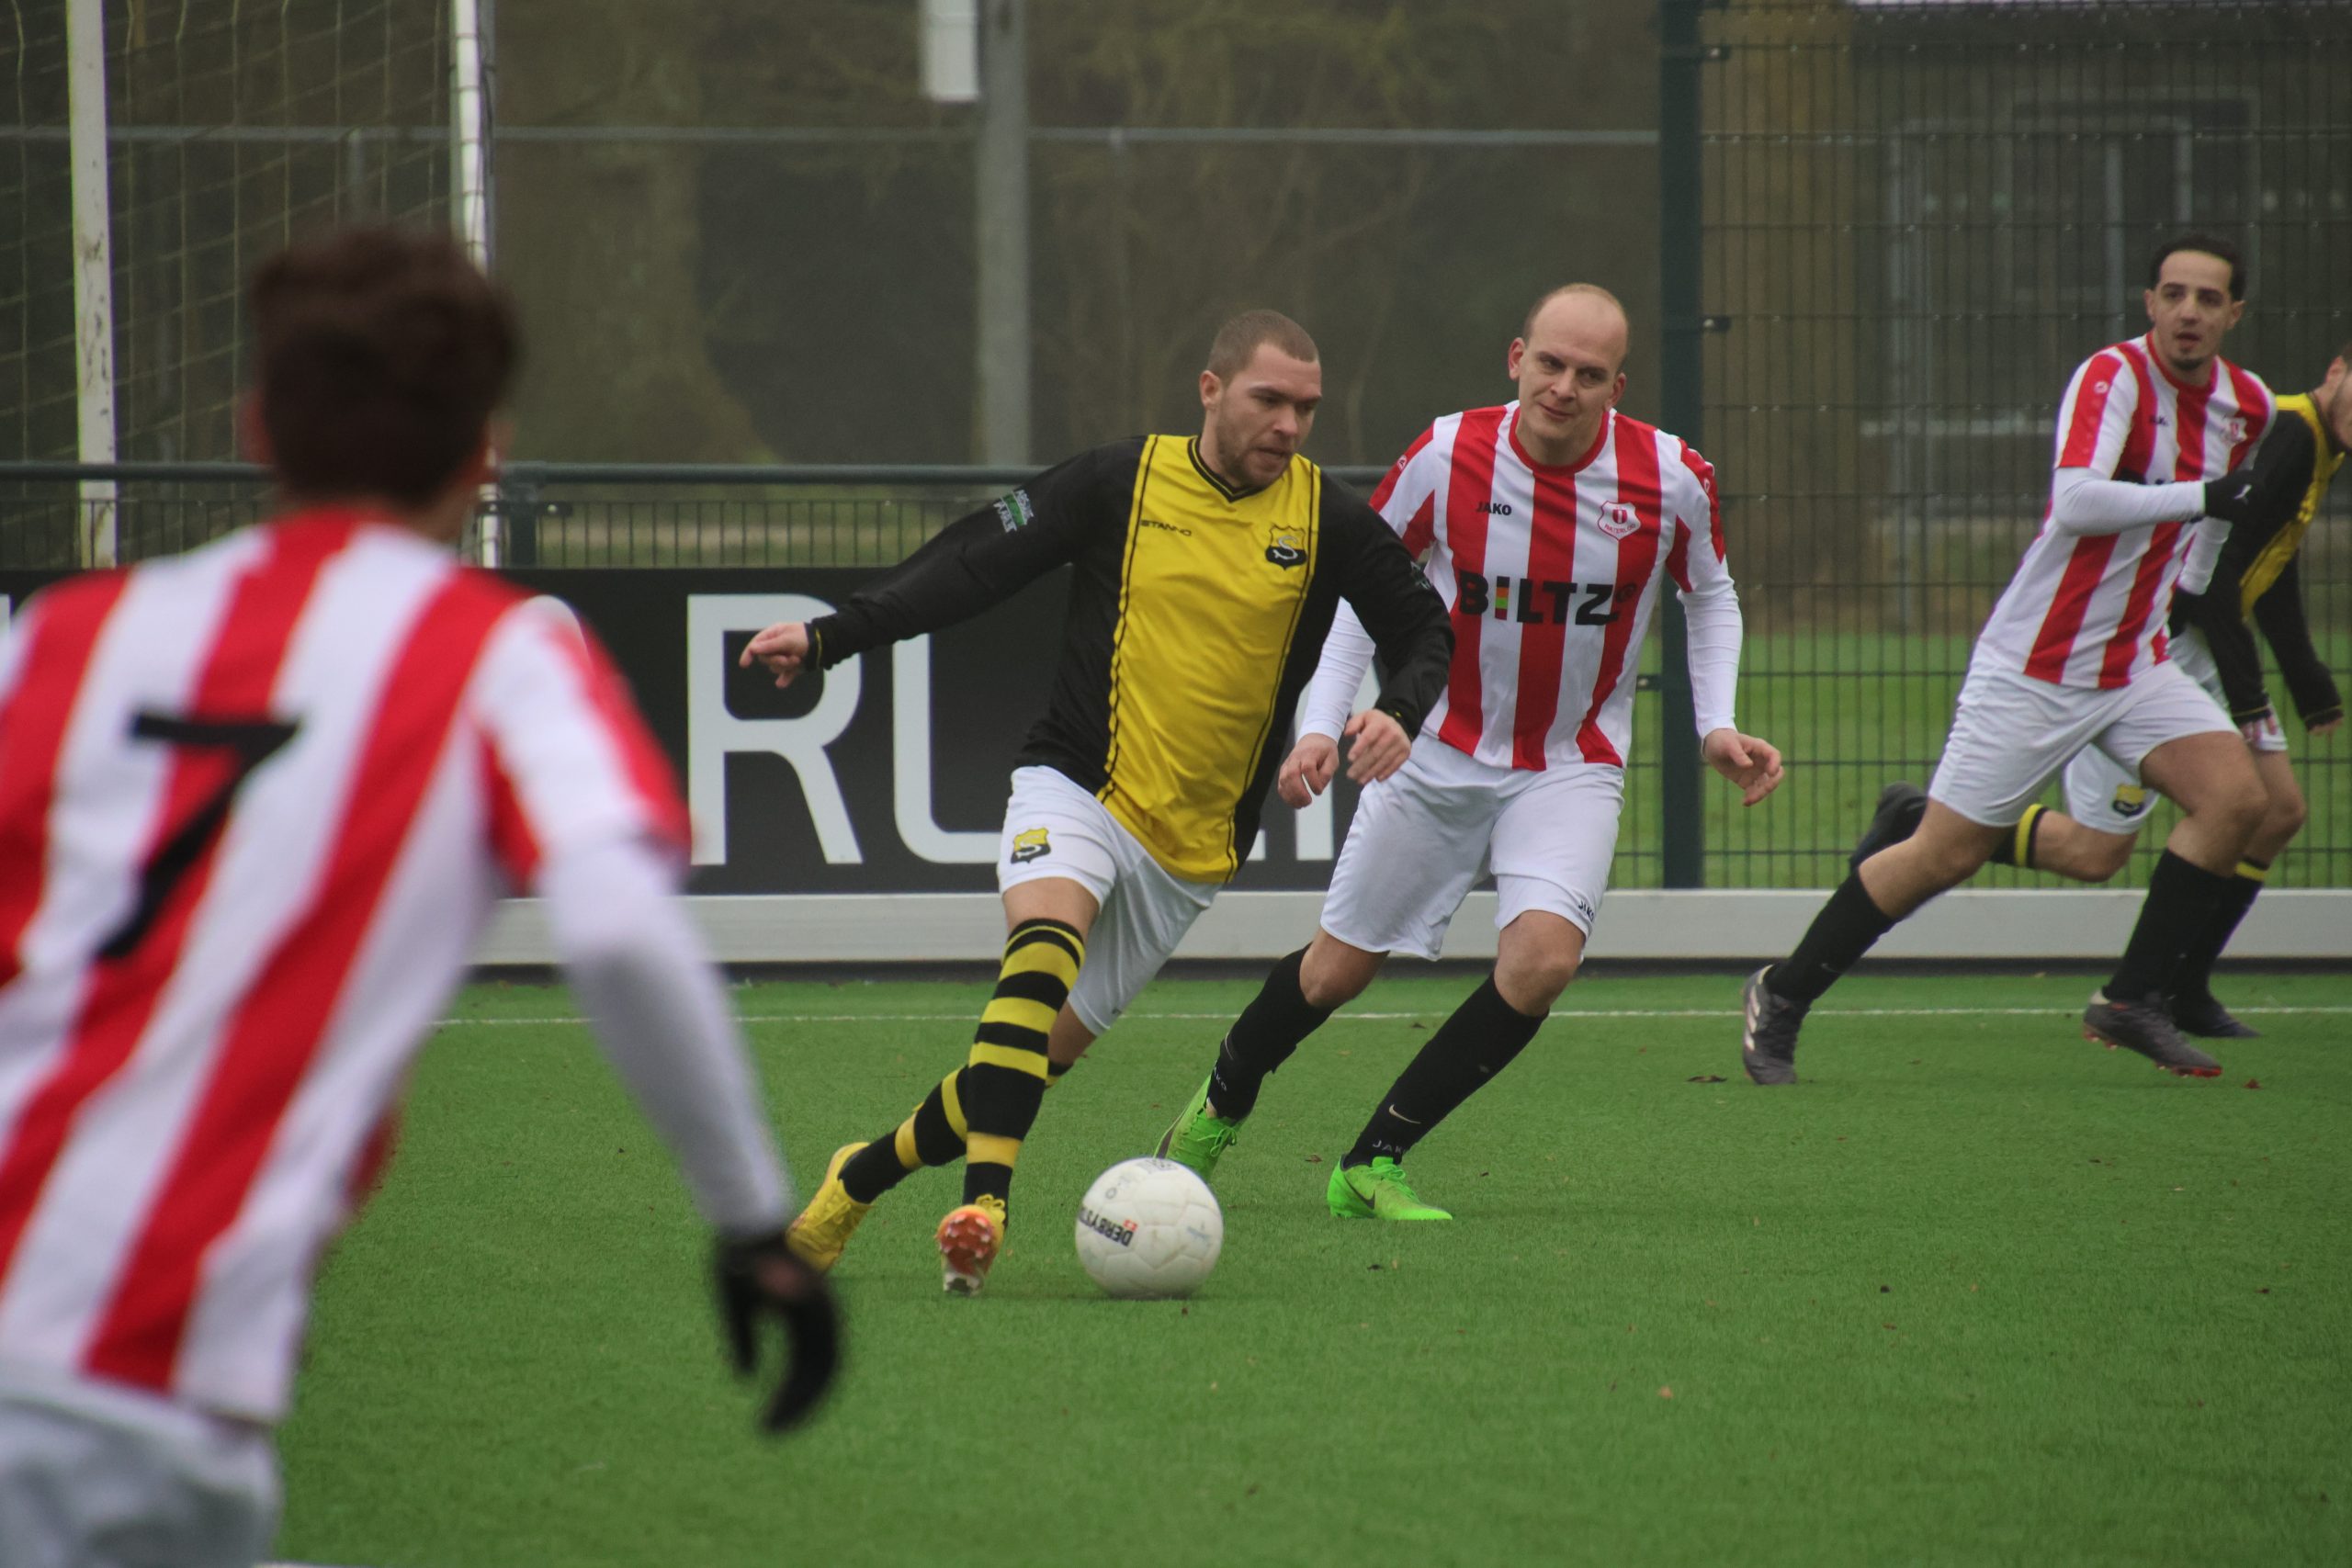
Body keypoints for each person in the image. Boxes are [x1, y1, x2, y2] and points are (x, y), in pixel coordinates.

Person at [0, 228, 836, 1568]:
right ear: (482, 454)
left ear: (257, 428)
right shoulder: (499, 656)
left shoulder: (63, 636)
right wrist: (752, 1224)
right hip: (117, 1387)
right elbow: (621, 929)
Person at [752, 311, 1453, 1292]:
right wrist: (835, 636)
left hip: (1192, 851)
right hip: (1077, 781)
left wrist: (1400, 711)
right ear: (1210, 390)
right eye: (1268, 400)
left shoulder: (1326, 520)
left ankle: (856, 1178)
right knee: (1040, 955)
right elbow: (973, 564)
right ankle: (987, 1205)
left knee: (1024, 1063)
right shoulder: (1119, 480)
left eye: (1306, 408)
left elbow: (1425, 628)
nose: (1289, 425)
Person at [1152, 285, 1783, 1220]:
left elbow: (1712, 594)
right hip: (1434, 751)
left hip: (1570, 763)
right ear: (1516, 359)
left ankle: (1371, 1161)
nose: (1564, 387)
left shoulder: (1672, 476)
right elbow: (1362, 595)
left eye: (1590, 374)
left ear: (1618, 386)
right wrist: (1320, 726)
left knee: (1541, 964)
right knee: (1332, 973)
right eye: (1550, 364)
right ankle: (1218, 1106)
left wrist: (1715, 724)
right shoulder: (1447, 455)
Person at [1742, 232, 2276, 1086]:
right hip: (2036, 664)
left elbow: (2221, 518)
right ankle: (1784, 992)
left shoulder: (2248, 405)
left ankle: (2131, 999)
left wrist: (2190, 589)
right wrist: (2204, 495)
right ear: (2149, 302)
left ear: (2235, 313)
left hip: (2136, 666)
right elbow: (2076, 500)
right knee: (1941, 858)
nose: (2188, 311)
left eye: (2208, 299)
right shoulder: (2113, 377)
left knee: (2233, 802)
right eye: (2173, 293)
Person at [1847, 342, 2347, 1037]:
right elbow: (2210, 573)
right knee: (2095, 852)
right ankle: (1924, 826)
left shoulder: (2310, 441)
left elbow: (2266, 561)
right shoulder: (2284, 429)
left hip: (2185, 659)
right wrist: (2254, 698)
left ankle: (2176, 988)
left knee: (2269, 810)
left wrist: (2304, 677)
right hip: (2151, 654)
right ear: (2336, 371)